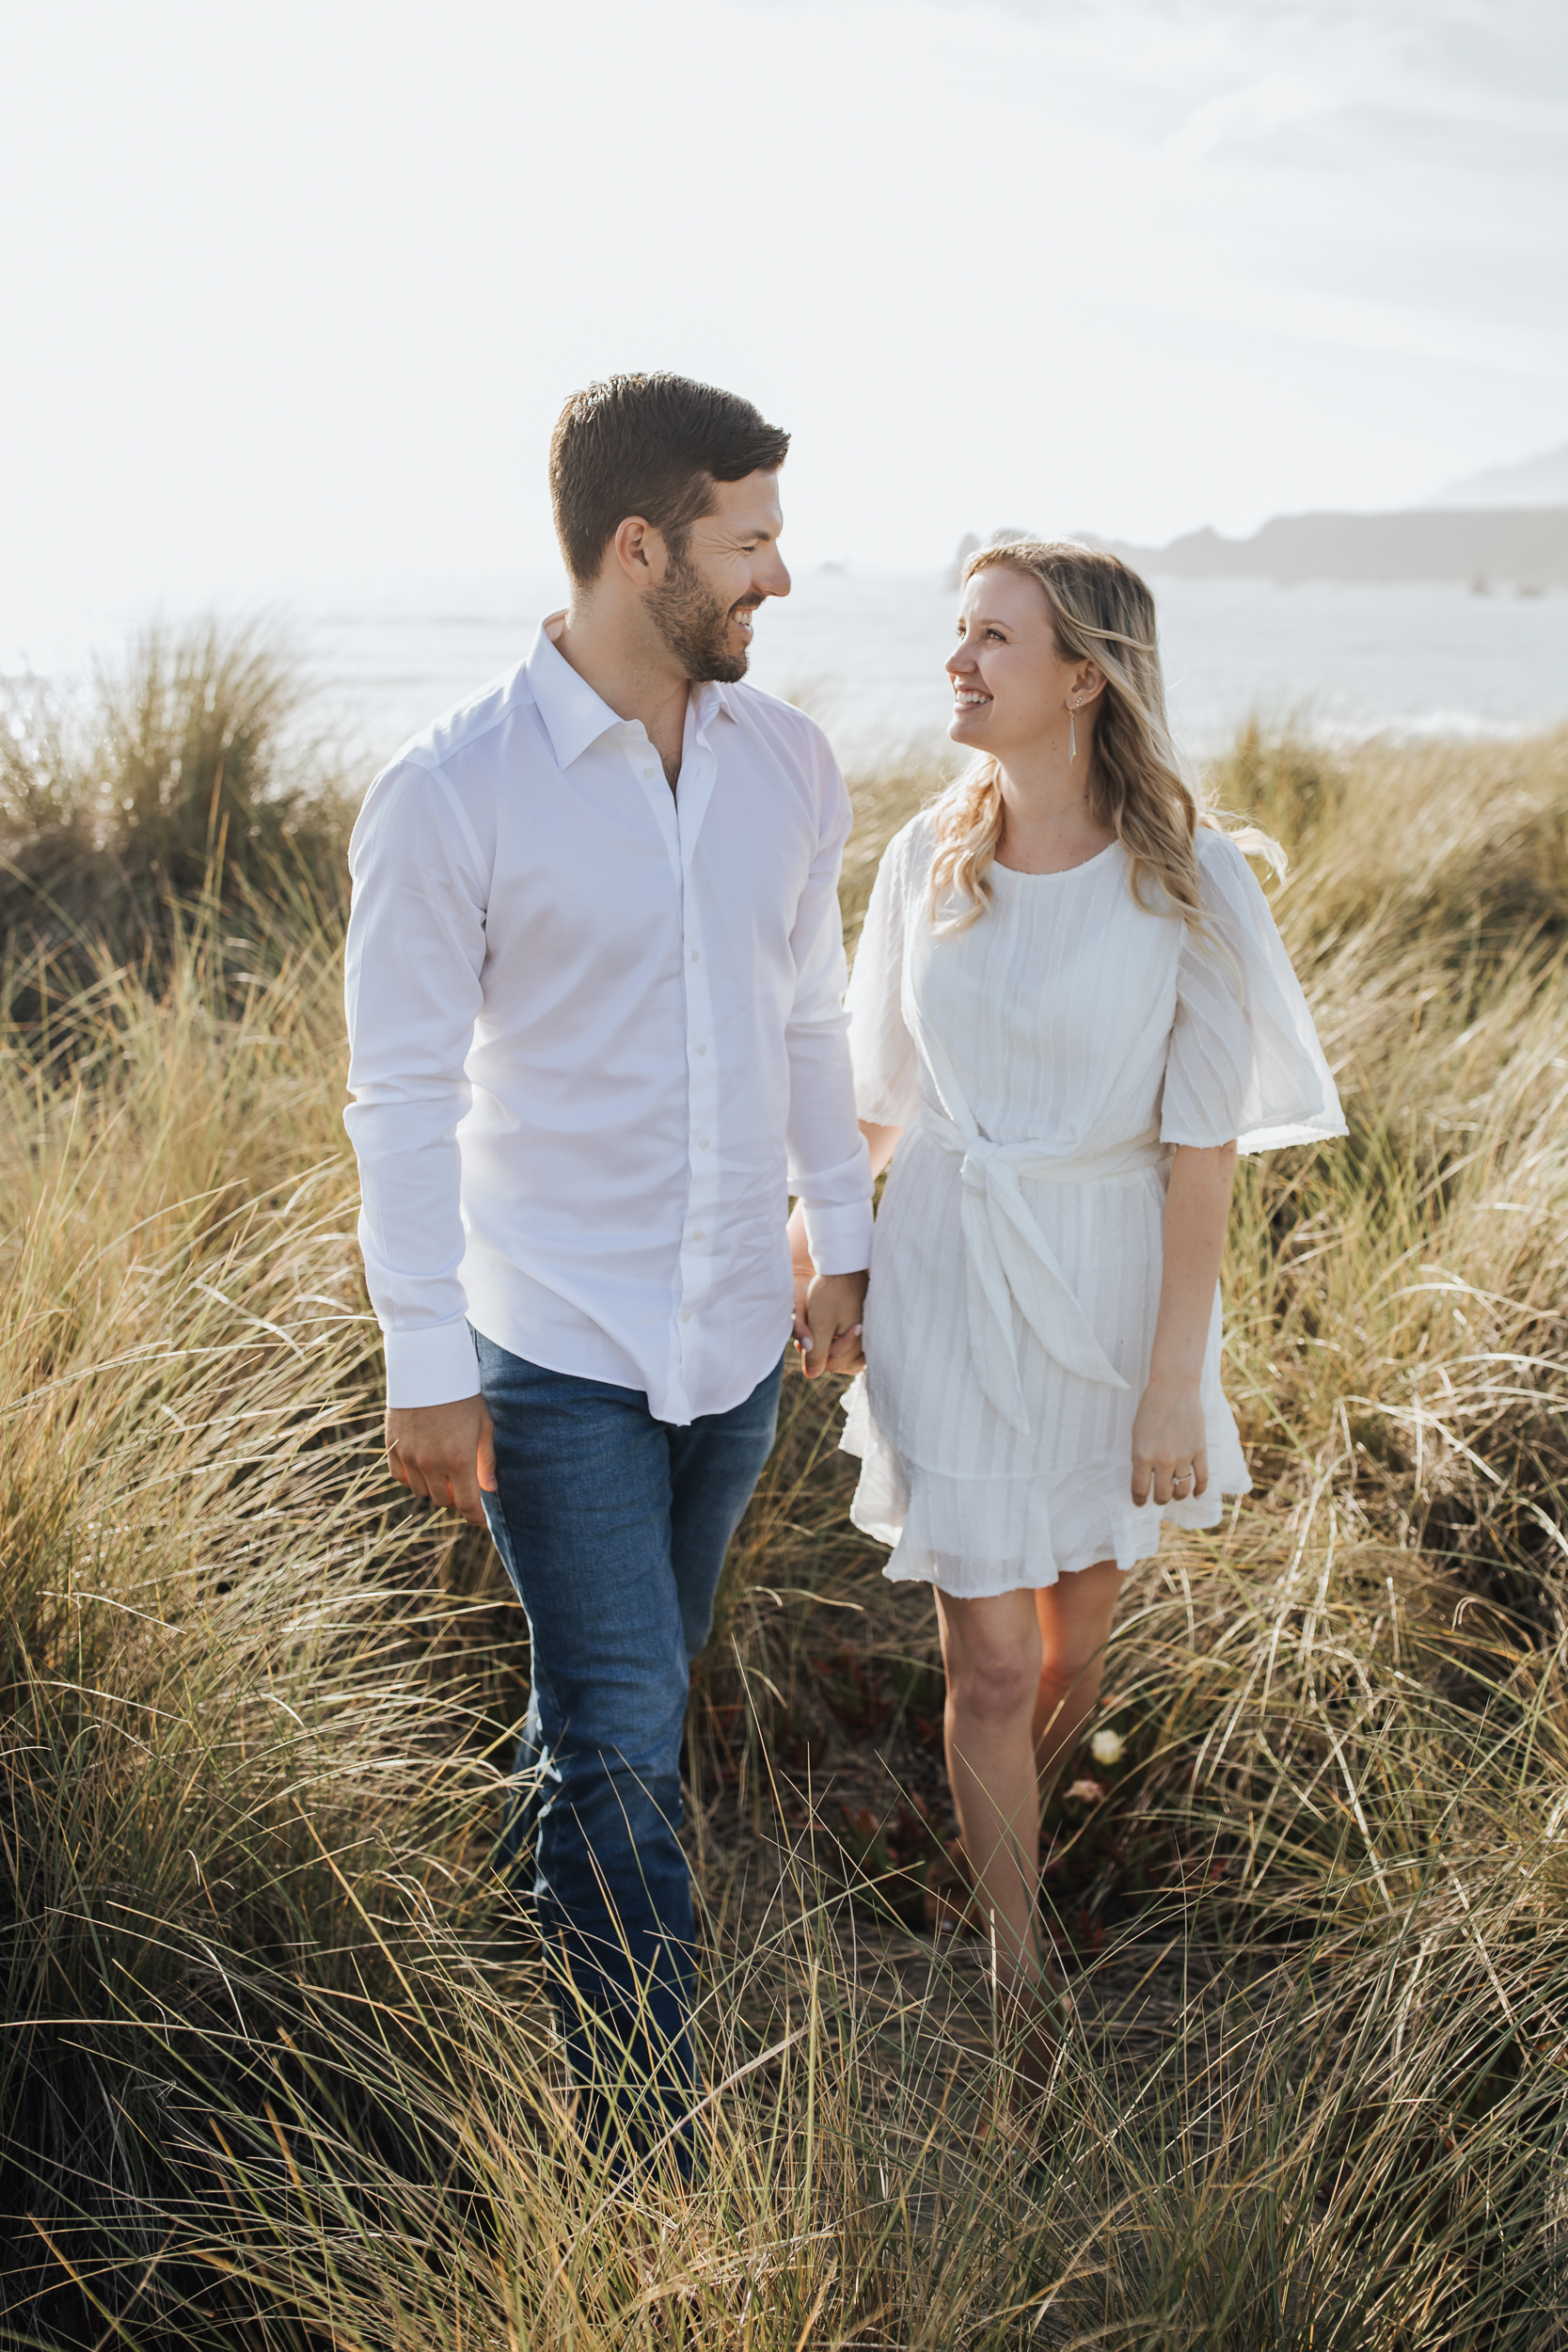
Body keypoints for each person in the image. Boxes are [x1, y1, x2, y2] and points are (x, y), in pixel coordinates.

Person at [342, 373, 872, 2157]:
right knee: (627, 1735)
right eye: (752, 543)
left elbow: (808, 1023)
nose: (780, 579)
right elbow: (402, 1097)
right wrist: (426, 1356)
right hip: (549, 1341)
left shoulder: (789, 768)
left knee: (607, 1714)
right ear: (638, 551)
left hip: (735, 1342)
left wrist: (841, 1247)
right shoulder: (449, 795)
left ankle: (509, 1936)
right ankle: (643, 2150)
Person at [789, 540, 1344, 2081]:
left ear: (1085, 676)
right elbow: (875, 1103)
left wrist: (1176, 1386)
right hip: (953, 1269)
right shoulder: (923, 858)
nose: (958, 662)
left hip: (1110, 1283)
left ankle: (1008, 1836)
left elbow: (1201, 1149)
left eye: (996, 640)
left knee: (1068, 1666)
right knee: (984, 1663)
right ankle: (1014, 1968)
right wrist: (826, 1247)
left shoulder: (1189, 875)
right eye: (956, 632)